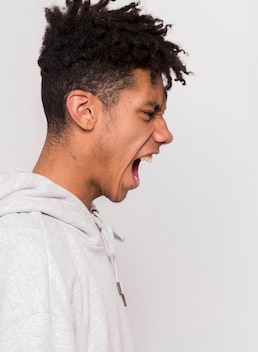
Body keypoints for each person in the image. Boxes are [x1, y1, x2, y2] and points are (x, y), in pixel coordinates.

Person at [0, 0, 189, 350]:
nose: (165, 134)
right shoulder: (34, 252)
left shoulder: (71, 235)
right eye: (149, 113)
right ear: (85, 111)